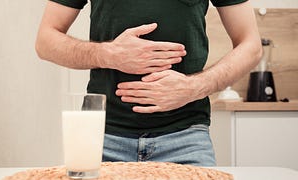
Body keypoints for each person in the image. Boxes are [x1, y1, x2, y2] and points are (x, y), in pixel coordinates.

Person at [35, 0, 261, 166]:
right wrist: (108, 54)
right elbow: (45, 40)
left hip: (185, 139)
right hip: (103, 139)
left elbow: (251, 46)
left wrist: (194, 87)